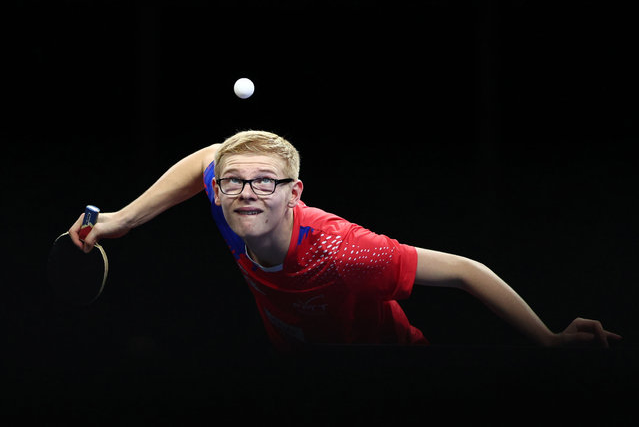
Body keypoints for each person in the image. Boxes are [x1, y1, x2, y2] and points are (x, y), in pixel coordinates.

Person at [69, 130, 621, 352]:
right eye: (233, 183)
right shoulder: (232, 206)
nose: (246, 193)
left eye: (265, 183)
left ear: (294, 193)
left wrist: (547, 341)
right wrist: (122, 220)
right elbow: (207, 157)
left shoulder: (342, 251)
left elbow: (464, 271)